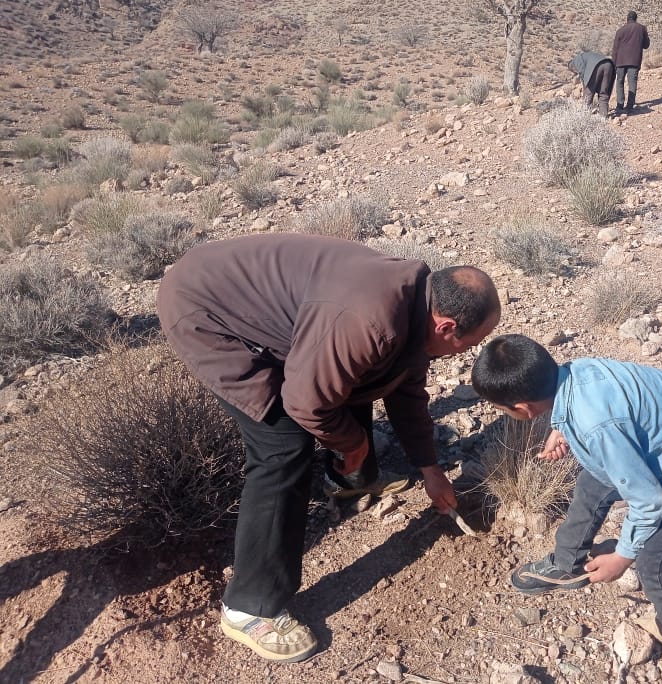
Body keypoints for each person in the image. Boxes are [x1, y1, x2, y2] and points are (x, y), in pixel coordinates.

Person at [157, 234, 500, 663]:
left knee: (355, 375)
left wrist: (430, 468)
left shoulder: (415, 307)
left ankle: (350, 482)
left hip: (267, 304)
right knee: (283, 445)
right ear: (446, 326)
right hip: (208, 311)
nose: (468, 351)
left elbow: (405, 390)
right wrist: (352, 442)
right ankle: (249, 606)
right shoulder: (370, 320)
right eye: (470, 343)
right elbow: (306, 402)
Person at [471, 334, 662, 684]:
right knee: (593, 482)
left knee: (657, 569)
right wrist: (560, 429)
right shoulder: (572, 374)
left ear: (522, 408)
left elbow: (649, 500)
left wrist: (622, 557)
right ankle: (567, 564)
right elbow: (600, 421)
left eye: (502, 408)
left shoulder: (596, 427)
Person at [612, 10, 650, 114]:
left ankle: (619, 105)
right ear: (636, 18)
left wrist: (613, 62)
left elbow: (615, 48)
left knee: (619, 82)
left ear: (627, 19)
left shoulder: (620, 30)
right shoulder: (642, 28)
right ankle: (630, 106)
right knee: (632, 83)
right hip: (634, 60)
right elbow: (646, 45)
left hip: (620, 61)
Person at [569, 50, 615, 119]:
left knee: (589, 93)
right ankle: (603, 116)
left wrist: (585, 87)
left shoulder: (576, 60)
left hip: (596, 65)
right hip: (609, 64)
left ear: (571, 66)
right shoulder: (584, 56)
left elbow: (583, 74)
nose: (574, 72)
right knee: (603, 93)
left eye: (573, 71)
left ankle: (585, 115)